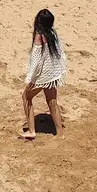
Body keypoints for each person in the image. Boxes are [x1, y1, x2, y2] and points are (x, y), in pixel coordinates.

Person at [20, 9, 66, 140]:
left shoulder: (39, 35)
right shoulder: (53, 34)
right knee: (52, 102)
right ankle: (60, 133)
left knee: (26, 97)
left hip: (42, 76)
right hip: (52, 75)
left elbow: (36, 60)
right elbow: (61, 54)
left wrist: (31, 77)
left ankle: (31, 131)